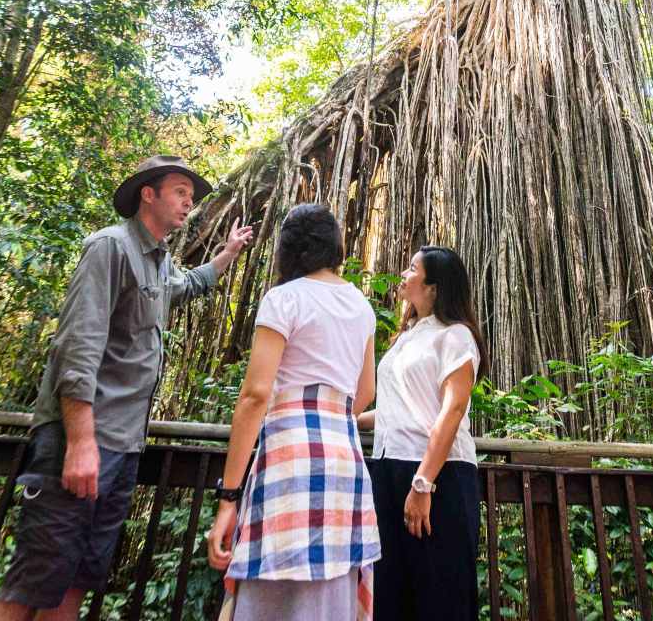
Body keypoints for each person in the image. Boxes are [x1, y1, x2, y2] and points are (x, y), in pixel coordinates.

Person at [0, 154, 254, 621]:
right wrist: (80, 441)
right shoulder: (108, 248)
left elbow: (188, 286)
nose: (188, 203)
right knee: (32, 583)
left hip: (124, 447)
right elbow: (77, 346)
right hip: (86, 441)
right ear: (146, 194)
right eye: (180, 191)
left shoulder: (160, 262)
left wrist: (228, 255)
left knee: (77, 580)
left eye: (191, 196)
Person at [206, 203, 380, 620]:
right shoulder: (361, 305)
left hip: (289, 457)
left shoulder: (283, 299)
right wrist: (328, 418)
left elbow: (255, 395)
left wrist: (229, 497)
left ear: (289, 248)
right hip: (344, 462)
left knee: (272, 596)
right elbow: (367, 391)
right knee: (330, 592)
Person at [358, 246, 487, 621]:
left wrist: (423, 483)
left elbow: (452, 408)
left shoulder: (456, 336)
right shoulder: (407, 336)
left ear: (433, 287)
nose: (403, 273)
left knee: (440, 593)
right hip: (388, 467)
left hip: (436, 474)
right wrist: (348, 419)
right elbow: (403, 409)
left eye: (412, 269)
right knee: (391, 590)